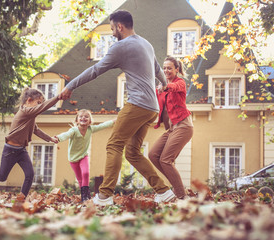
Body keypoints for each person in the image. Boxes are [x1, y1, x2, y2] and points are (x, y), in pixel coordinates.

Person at [59, 10, 174, 205]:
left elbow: (95, 70)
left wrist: (70, 85)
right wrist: (163, 84)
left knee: (114, 144)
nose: (112, 33)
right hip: (152, 108)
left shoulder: (121, 47)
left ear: (120, 26)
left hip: (137, 105)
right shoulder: (146, 43)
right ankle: (163, 191)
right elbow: (156, 69)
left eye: (112, 29)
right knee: (133, 153)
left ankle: (104, 195)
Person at [0, 88, 59, 199]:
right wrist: (58, 97)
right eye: (38, 103)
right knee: (2, 177)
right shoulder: (25, 112)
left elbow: (36, 130)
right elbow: (42, 108)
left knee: (30, 174)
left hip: (21, 151)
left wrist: (50, 139)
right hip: (10, 151)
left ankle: (21, 199)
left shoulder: (30, 117)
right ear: (29, 100)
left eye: (40, 104)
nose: (39, 107)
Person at [148, 56, 194, 200]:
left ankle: (181, 195)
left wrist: (166, 86)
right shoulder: (160, 88)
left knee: (166, 160)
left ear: (176, 70)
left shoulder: (179, 83)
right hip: (172, 129)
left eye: (169, 68)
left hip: (184, 126)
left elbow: (174, 87)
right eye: (164, 68)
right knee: (153, 155)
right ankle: (176, 185)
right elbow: (152, 98)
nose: (166, 70)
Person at [54, 109, 116, 202]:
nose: (83, 118)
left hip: (83, 156)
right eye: (81, 116)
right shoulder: (74, 130)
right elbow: (66, 135)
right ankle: (85, 196)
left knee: (86, 173)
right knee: (79, 179)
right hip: (73, 158)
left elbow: (103, 125)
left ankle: (85, 197)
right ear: (77, 120)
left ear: (90, 121)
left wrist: (114, 121)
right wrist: (58, 138)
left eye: (86, 116)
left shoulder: (91, 129)